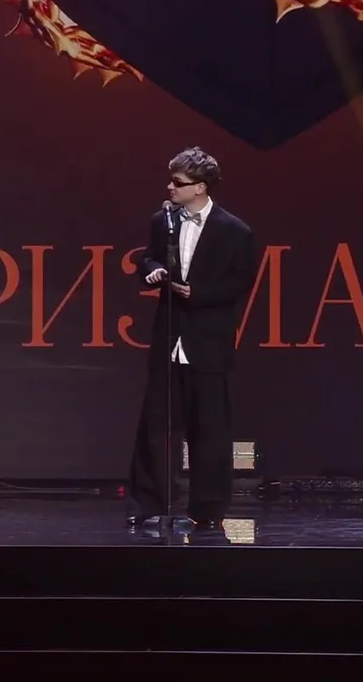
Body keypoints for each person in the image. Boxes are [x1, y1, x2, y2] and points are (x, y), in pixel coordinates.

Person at [126, 146, 256, 530]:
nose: (170, 188)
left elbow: (240, 282)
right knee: (156, 427)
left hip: (208, 343)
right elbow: (147, 258)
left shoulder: (235, 231)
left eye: (178, 183)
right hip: (169, 337)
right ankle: (149, 503)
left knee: (210, 431)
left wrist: (197, 294)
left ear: (200, 187)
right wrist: (152, 271)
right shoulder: (163, 220)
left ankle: (208, 509)